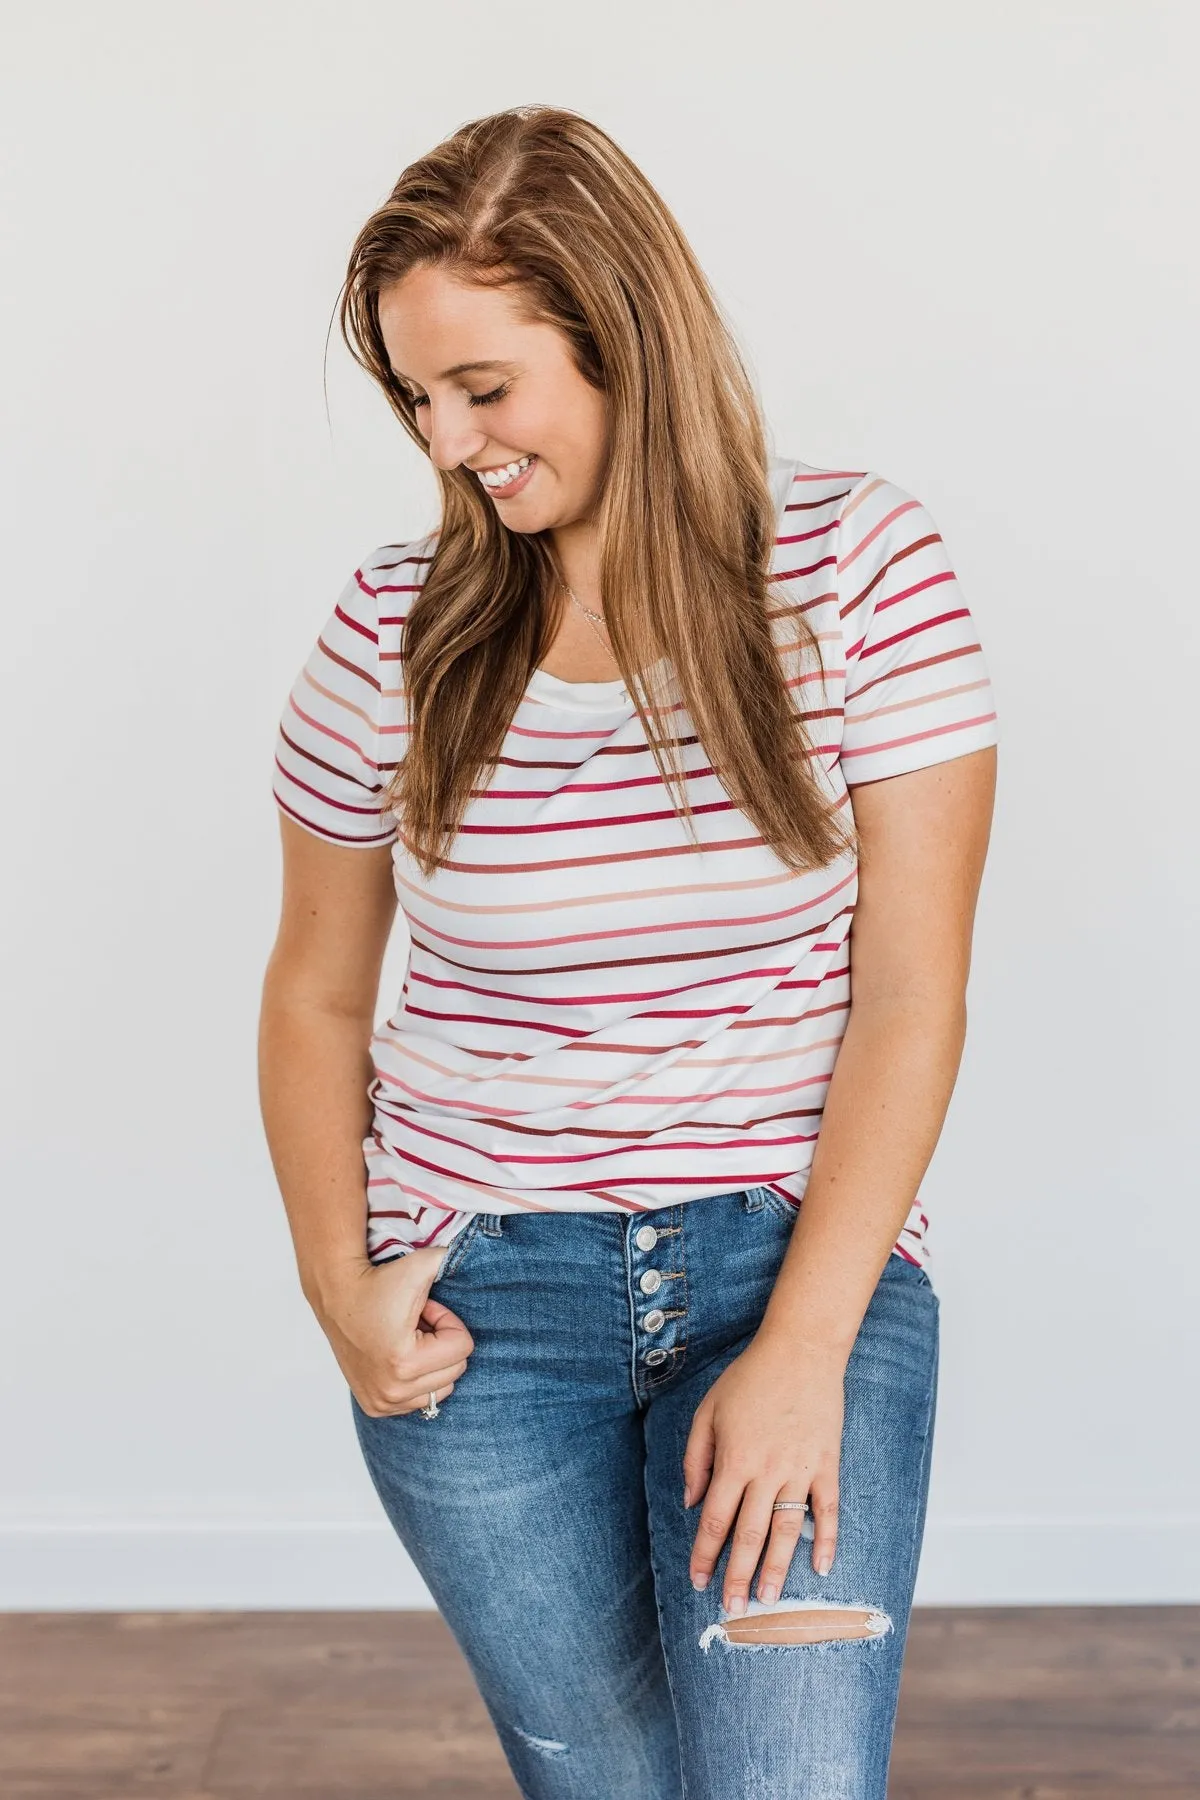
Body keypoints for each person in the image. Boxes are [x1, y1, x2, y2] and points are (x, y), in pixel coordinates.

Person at [258, 103, 998, 1800]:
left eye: (485, 389)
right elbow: (310, 990)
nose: (449, 441)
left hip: (786, 1262)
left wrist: (805, 1344)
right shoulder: (393, 628)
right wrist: (335, 1292)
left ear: (625, 339)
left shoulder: (856, 567)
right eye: (416, 398)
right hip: (481, 1310)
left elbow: (913, 991)